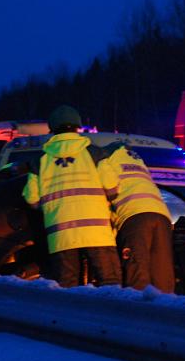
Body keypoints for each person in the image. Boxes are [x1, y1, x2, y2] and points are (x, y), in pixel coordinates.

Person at [22, 105, 121, 288]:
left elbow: (31, 199)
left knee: (67, 286)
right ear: (78, 126)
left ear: (52, 129)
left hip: (60, 234)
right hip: (97, 232)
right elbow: (112, 187)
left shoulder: (40, 161)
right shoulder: (94, 153)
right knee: (110, 283)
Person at [100, 142, 174, 292]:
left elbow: (109, 190)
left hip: (134, 216)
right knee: (162, 270)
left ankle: (135, 310)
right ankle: (165, 309)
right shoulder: (137, 160)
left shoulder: (105, 160)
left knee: (137, 269)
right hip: (162, 215)